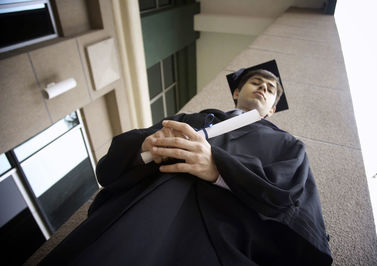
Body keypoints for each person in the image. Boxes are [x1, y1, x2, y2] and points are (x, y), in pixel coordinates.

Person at [40, 60, 333, 265]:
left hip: (210, 240)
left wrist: (219, 169)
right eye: (256, 82)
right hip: (135, 213)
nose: (262, 88)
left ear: (271, 110)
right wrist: (145, 146)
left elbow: (289, 203)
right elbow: (113, 165)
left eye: (270, 89)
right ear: (235, 92)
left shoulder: (287, 146)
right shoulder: (191, 120)